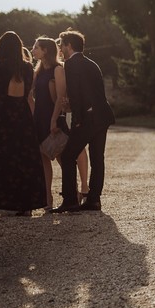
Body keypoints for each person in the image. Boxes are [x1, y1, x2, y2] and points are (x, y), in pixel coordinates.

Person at [51, 29, 116, 213]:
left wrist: (76, 118)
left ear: (69, 46)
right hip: (102, 116)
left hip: (88, 118)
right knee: (97, 158)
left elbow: (77, 92)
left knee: (68, 155)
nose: (60, 49)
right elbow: (94, 93)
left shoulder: (70, 64)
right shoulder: (92, 64)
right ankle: (94, 200)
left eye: (62, 45)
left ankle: (70, 200)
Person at [30, 37, 91, 210]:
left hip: (54, 119)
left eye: (36, 47)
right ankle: (47, 198)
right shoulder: (38, 71)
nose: (33, 50)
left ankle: (73, 194)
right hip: (39, 119)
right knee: (43, 159)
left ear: (45, 50)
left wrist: (53, 119)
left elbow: (60, 98)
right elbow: (30, 94)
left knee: (62, 158)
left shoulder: (58, 69)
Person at [0, 31, 46, 215]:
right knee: (24, 160)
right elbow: (29, 96)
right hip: (22, 116)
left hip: (2, 117)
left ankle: (4, 203)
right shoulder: (27, 68)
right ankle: (25, 205)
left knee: (2, 160)